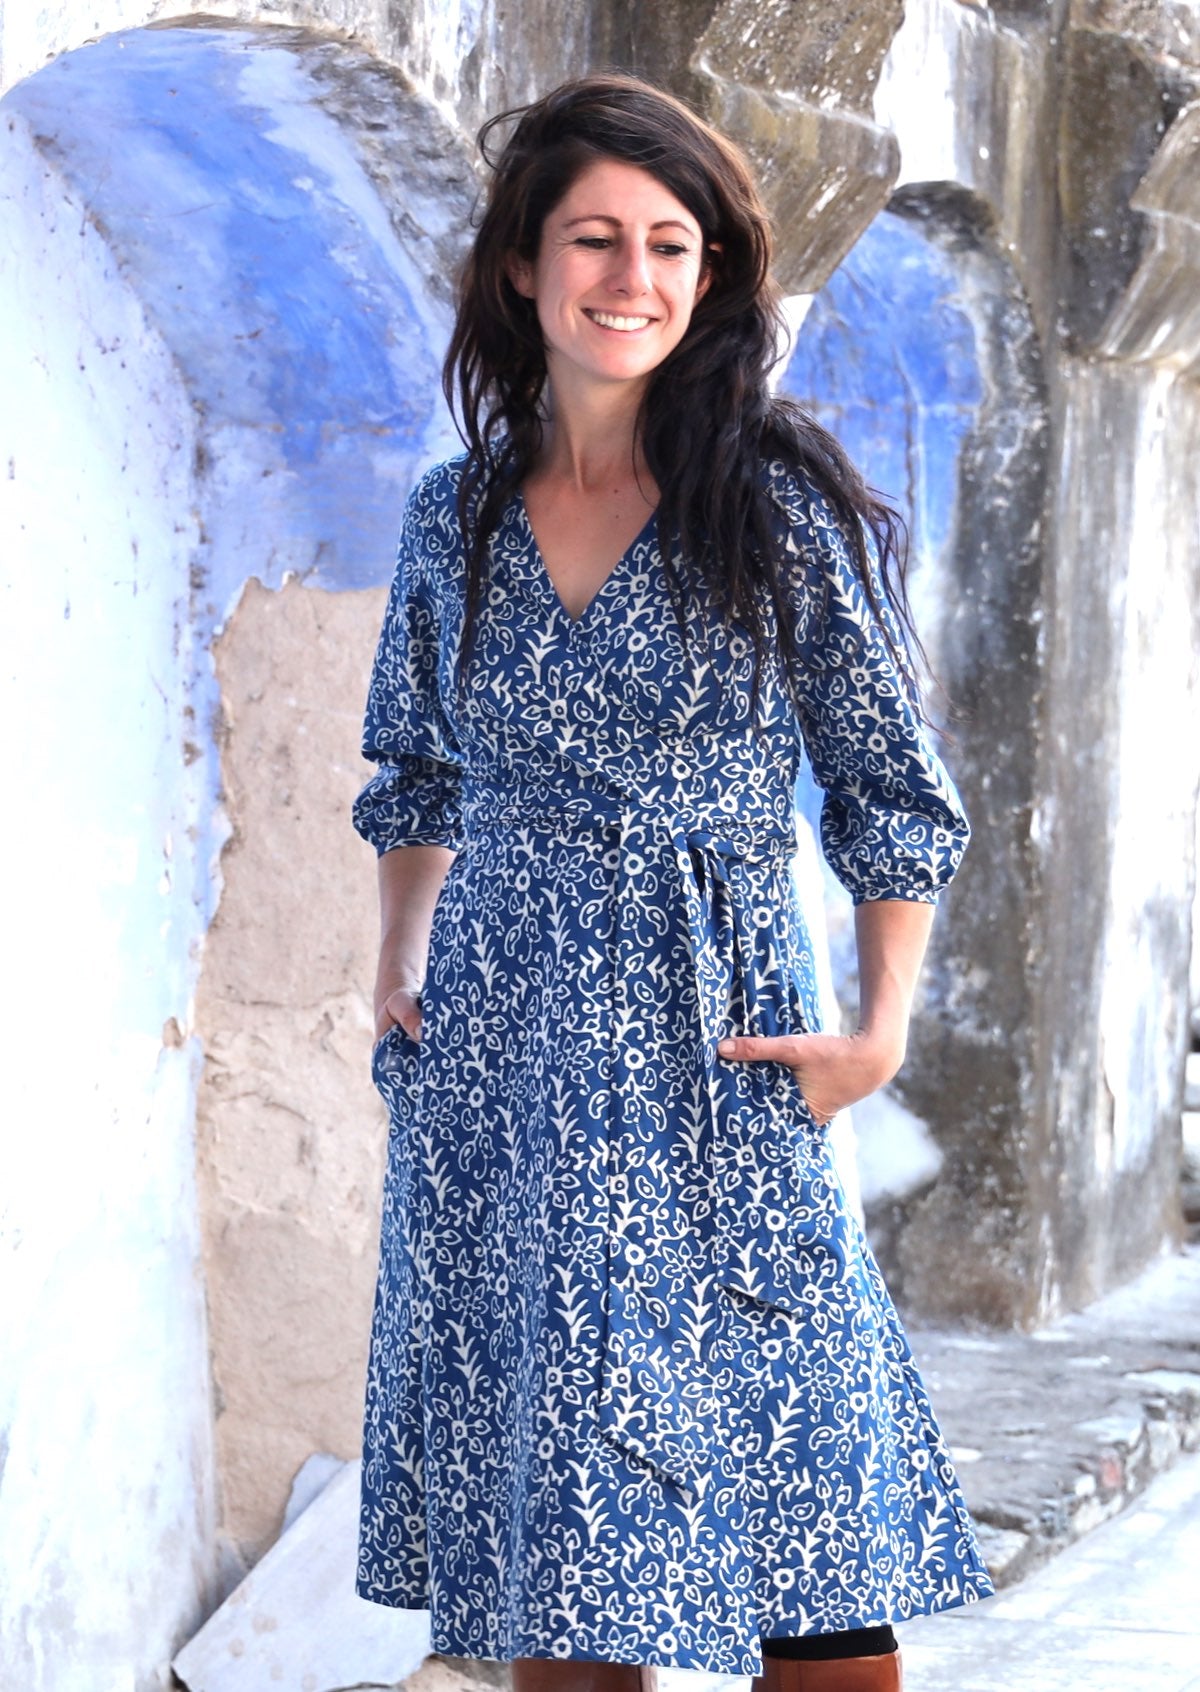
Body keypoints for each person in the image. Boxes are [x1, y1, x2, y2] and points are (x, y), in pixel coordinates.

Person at [352, 72, 994, 1692]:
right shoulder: (459, 522)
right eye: (593, 239)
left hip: (718, 1045)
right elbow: (417, 776)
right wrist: (399, 967)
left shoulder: (767, 504)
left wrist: (880, 1031)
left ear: (709, 279)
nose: (628, 276)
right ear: (523, 265)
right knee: (556, 1566)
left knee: (813, 1547)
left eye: (668, 243)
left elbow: (891, 791)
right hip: (504, 1057)